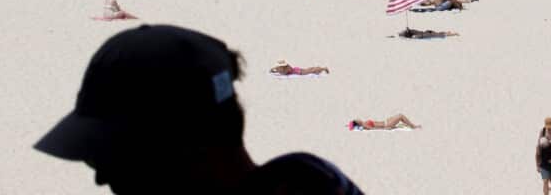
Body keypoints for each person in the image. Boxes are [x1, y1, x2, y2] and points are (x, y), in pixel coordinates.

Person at [35, 25, 364, 193]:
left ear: (191, 143)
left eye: (115, 157)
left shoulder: (301, 184)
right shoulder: (308, 176)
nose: (101, 178)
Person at [348, 114, 418, 130]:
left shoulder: (363, 123)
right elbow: (373, 129)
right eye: (357, 120)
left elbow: (351, 125)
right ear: (358, 122)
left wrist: (350, 125)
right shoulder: (364, 125)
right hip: (386, 124)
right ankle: (413, 126)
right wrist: (386, 128)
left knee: (400, 117)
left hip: (386, 121)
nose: (359, 118)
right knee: (401, 116)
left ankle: (410, 125)